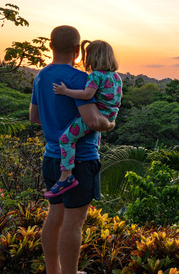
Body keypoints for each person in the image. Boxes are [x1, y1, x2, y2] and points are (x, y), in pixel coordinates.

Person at [29, 25, 111, 274]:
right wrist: (109, 122)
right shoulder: (79, 78)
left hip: (52, 158)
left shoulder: (41, 77)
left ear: (51, 47)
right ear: (78, 51)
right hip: (80, 160)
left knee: (55, 216)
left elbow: (34, 117)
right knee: (73, 223)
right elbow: (92, 121)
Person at [46, 40, 123, 198]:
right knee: (93, 135)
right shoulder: (116, 77)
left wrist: (65, 91)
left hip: (97, 115)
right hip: (110, 115)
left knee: (66, 139)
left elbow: (87, 95)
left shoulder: (95, 76)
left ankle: (66, 175)